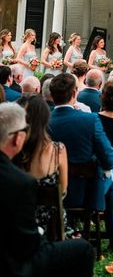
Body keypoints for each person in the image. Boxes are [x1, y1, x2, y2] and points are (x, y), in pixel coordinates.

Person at [0, 102, 94, 277]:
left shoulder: (18, 166)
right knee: (83, 249)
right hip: (24, 246)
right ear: (16, 138)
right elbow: (28, 244)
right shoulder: (21, 181)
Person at [48, 73, 113, 253]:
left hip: (53, 194)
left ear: (51, 95)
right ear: (74, 93)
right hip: (87, 194)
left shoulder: (45, 121)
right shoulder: (89, 119)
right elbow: (107, 155)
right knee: (111, 175)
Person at [14, 94, 68, 234]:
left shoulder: (13, 150)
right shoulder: (58, 151)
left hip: (17, 221)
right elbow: (62, 191)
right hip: (51, 223)